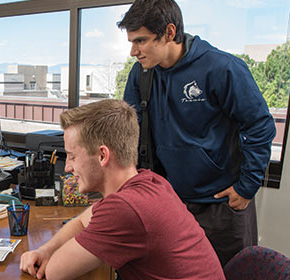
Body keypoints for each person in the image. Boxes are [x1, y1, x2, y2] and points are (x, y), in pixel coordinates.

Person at [116, 0, 276, 266]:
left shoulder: (223, 68)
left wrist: (246, 188)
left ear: (169, 32)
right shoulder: (141, 74)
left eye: (141, 41)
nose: (133, 51)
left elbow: (259, 126)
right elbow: (130, 132)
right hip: (170, 201)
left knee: (228, 273)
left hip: (221, 205)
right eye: (131, 42)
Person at [20, 100, 224, 280]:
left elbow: (55, 272)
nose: (67, 167)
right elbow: (81, 221)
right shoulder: (150, 181)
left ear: (102, 156)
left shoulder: (125, 209)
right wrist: (46, 249)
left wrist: (48, 256)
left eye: (72, 156)